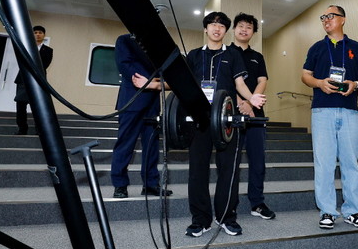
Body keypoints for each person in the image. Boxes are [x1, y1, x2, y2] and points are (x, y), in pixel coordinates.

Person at [182, 12, 265, 237]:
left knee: (229, 170)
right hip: (200, 120)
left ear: (226, 31)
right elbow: (183, 84)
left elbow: (239, 84)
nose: (216, 28)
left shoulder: (233, 54)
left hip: (227, 120)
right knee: (197, 171)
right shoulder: (194, 55)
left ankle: (226, 217)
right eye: (212, 24)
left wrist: (251, 98)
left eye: (221, 26)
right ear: (205, 28)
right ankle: (201, 220)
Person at [301, 5, 358, 230]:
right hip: (322, 111)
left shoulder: (356, 47)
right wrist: (319, 83)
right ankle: (327, 211)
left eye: (331, 16)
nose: (326, 20)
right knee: (324, 163)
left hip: (349, 111)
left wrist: (356, 84)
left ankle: (353, 211)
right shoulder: (316, 47)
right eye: (323, 17)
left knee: (350, 162)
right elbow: (305, 75)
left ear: (343, 19)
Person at [111, 33, 172, 199]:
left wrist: (154, 83)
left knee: (151, 145)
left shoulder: (155, 41)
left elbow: (163, 66)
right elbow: (124, 65)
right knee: (125, 144)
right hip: (132, 98)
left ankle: (151, 184)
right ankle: (120, 185)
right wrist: (146, 81)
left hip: (153, 101)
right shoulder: (124, 39)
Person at [229, 13, 275, 220]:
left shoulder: (258, 56)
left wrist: (250, 102)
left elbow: (262, 81)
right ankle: (229, 204)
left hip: (256, 115)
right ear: (234, 29)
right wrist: (240, 102)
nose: (244, 30)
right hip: (231, 114)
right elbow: (226, 82)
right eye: (240, 26)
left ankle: (257, 203)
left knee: (258, 161)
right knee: (231, 162)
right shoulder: (225, 52)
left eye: (249, 27)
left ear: (253, 32)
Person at [13, 25, 53, 135]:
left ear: (44, 35)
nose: (38, 34)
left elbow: (45, 65)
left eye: (40, 32)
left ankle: (39, 130)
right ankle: (22, 129)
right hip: (23, 80)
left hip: (38, 81)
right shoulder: (25, 47)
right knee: (21, 105)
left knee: (38, 106)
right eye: (35, 32)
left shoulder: (48, 50)